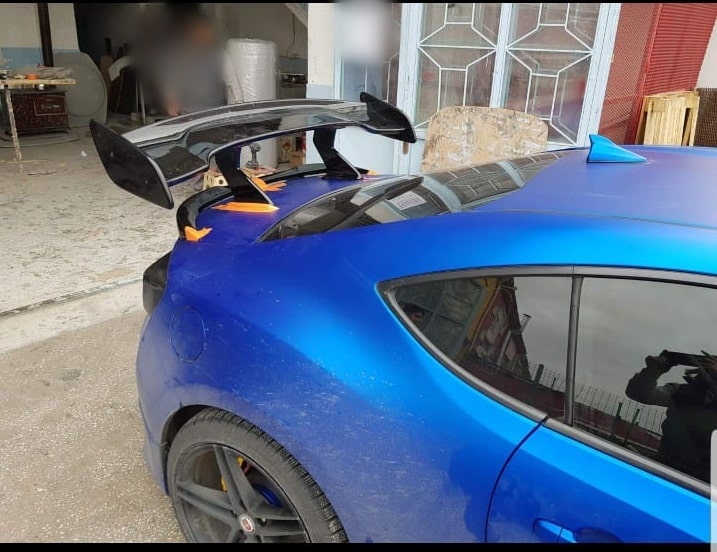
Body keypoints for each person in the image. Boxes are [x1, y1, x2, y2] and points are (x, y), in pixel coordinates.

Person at [625, 350, 717, 482]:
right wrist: (652, 371)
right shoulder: (681, 392)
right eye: (707, 366)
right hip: (664, 468)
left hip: (704, 483)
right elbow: (639, 394)